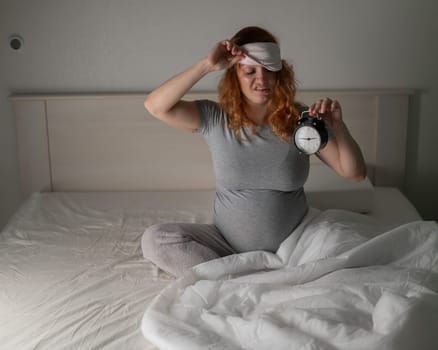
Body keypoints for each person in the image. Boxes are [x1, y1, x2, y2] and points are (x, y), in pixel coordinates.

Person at [141, 26, 366, 277]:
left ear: (280, 73)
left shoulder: (302, 120)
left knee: (345, 248)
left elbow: (354, 173)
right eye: (250, 71)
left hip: (296, 247)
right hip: (226, 246)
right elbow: (154, 106)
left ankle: (233, 279)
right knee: (155, 239)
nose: (262, 80)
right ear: (234, 74)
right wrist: (207, 65)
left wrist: (339, 127)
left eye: (269, 70)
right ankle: (235, 279)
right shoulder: (215, 118)